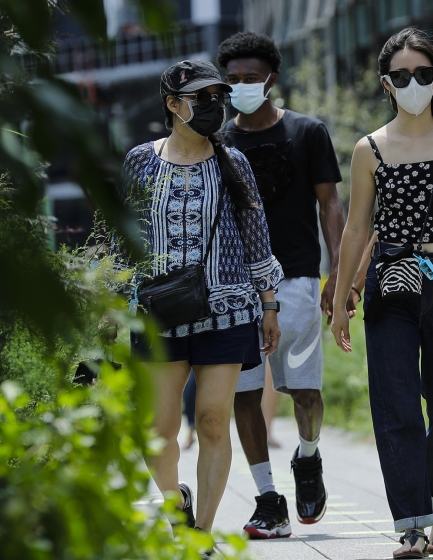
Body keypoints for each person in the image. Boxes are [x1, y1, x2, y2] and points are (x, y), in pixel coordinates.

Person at [330, 28, 433, 559]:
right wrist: (339, 300)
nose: (413, 83)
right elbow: (356, 230)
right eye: (401, 75)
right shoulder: (369, 149)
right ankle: (410, 524)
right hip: (391, 276)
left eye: (424, 74)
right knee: (396, 401)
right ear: (387, 83)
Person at [121, 60, 283, 544]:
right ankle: (177, 509)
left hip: (228, 307)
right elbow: (118, 237)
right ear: (173, 104)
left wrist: (269, 302)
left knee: (214, 418)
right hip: (157, 313)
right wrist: (109, 307)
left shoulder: (233, 162)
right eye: (201, 97)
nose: (214, 105)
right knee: (158, 430)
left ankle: (201, 535)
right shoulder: (139, 161)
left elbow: (256, 233)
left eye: (218, 96)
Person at [217, 31, 344, 538]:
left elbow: (330, 205)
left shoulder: (308, 132)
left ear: (272, 79)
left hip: (297, 278)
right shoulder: (219, 141)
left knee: (305, 391)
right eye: (233, 80)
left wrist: (338, 274)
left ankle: (308, 458)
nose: (242, 87)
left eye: (251, 78)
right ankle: (268, 498)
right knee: (245, 394)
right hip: (236, 286)